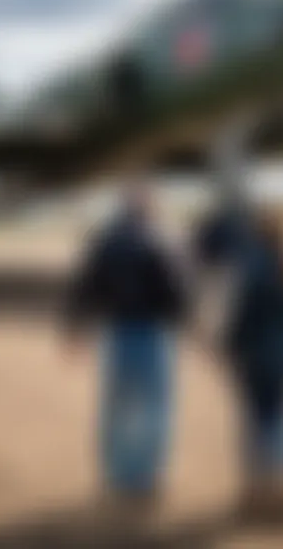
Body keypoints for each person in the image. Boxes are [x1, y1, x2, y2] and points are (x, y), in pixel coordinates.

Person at [62, 185, 188, 509]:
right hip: (151, 332)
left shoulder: (106, 242)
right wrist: (184, 321)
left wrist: (76, 327)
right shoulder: (159, 241)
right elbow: (176, 291)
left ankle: (117, 475)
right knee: (154, 409)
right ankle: (144, 479)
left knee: (116, 408)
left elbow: (85, 285)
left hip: (117, 332)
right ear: (148, 208)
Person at [223, 206, 283, 526]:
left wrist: (230, 347)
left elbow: (243, 317)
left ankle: (257, 492)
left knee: (257, 423)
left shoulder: (254, 268)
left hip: (257, 356)